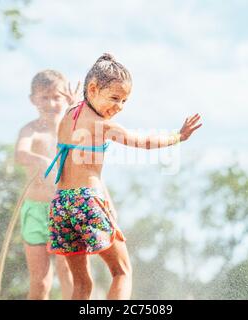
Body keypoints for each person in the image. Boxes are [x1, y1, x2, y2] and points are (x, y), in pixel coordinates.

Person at [45, 53, 202, 300]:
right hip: (87, 202)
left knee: (82, 284)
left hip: (61, 205)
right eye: (115, 98)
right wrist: (177, 137)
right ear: (93, 89)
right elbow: (144, 142)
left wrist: (78, 100)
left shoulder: (69, 115)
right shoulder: (103, 125)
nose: (119, 107)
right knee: (121, 271)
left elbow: (77, 107)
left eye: (125, 101)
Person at [14, 70, 80, 299]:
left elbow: (89, 170)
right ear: (33, 99)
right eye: (44, 97)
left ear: (66, 99)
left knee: (68, 272)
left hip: (65, 209)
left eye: (57, 97)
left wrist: (74, 110)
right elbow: (20, 154)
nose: (51, 103)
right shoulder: (30, 130)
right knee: (41, 281)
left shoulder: (71, 129)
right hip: (35, 210)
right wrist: (40, 160)